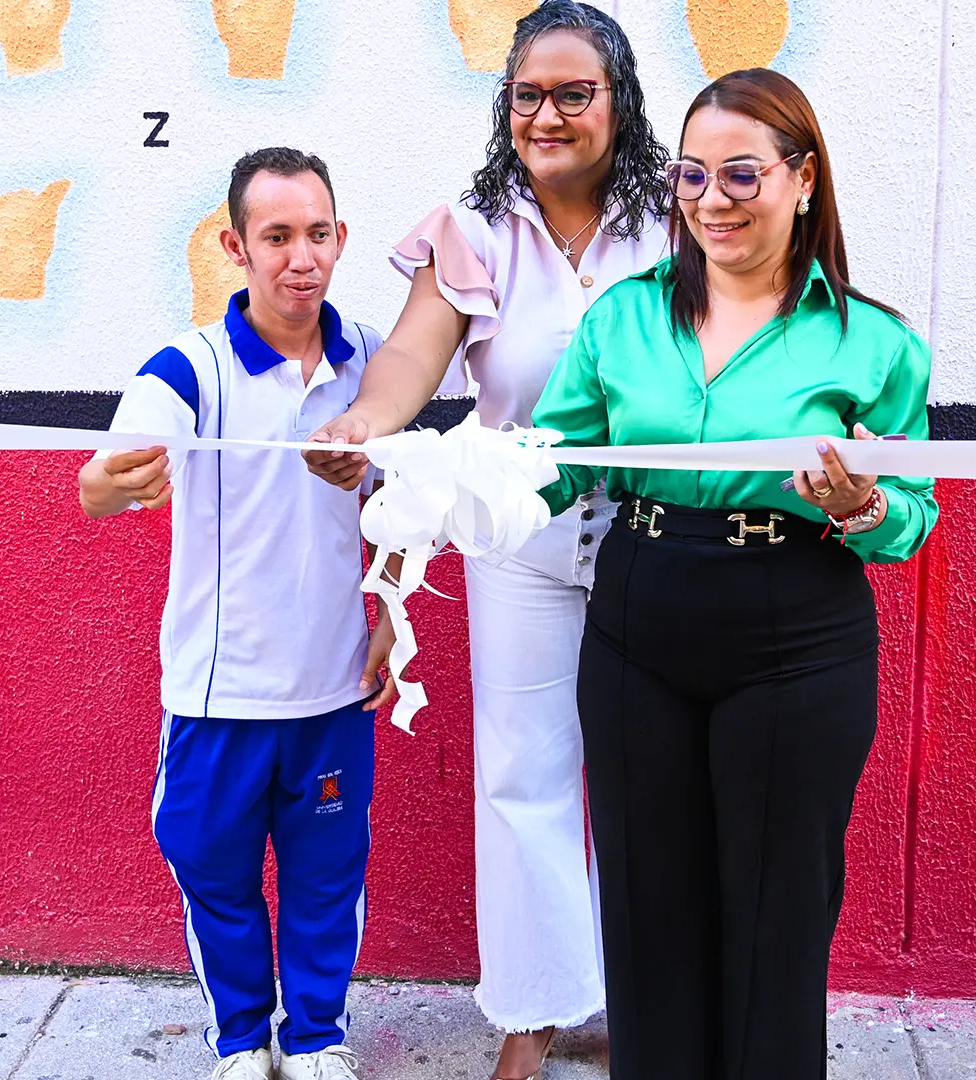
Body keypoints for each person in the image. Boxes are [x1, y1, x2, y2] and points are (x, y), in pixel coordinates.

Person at [531, 69, 940, 1080]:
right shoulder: (621, 320)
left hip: (795, 637)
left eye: (743, 175)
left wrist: (863, 507)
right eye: (693, 176)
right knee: (646, 905)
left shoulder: (875, 343)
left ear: (804, 181)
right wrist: (447, 495)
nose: (713, 199)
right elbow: (558, 460)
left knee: (776, 914)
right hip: (638, 622)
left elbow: (915, 518)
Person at [303, 4, 671, 1077]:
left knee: (650, 775)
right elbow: (417, 356)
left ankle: (632, 1003)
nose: (547, 114)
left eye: (574, 92)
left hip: (661, 534)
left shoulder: (676, 216)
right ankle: (534, 1009)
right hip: (521, 538)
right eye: (528, 95)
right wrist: (362, 427)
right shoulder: (476, 226)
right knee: (525, 773)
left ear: (620, 99)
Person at [79, 147, 395, 1080]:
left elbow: (414, 499)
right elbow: (102, 486)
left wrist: (391, 614)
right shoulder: (188, 370)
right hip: (219, 695)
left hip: (333, 688)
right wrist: (109, 480)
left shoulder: (374, 364)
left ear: (341, 240)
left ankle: (316, 1042)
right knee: (216, 881)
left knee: (325, 886)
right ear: (236, 246)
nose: (303, 257)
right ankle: (239, 1043)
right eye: (278, 237)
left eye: (320, 234)